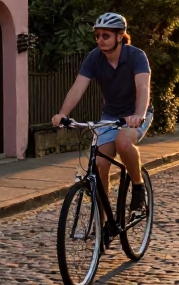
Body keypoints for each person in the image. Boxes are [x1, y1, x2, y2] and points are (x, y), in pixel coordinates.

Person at [51, 12, 153, 213]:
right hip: (110, 117)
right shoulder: (94, 58)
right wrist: (62, 113)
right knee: (98, 165)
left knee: (123, 143)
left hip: (135, 113)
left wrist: (138, 115)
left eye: (105, 35)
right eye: (97, 35)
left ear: (120, 35)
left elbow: (143, 88)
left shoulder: (136, 56)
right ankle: (104, 224)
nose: (100, 40)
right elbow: (78, 88)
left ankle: (139, 186)